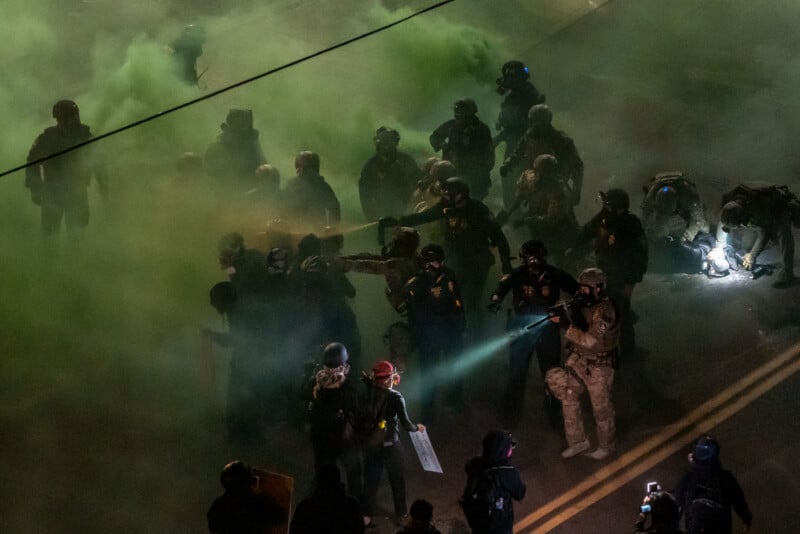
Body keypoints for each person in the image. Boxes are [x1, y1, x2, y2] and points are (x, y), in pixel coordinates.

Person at [383, 177, 512, 340]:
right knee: (449, 297)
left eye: (451, 193)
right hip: (455, 260)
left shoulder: (478, 210)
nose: (447, 196)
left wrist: (506, 265)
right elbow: (426, 216)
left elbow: (498, 237)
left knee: (471, 301)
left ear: (462, 194)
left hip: (477, 262)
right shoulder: (445, 207)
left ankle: (476, 337)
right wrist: (400, 221)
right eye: (445, 192)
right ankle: (454, 334)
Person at [488, 240, 579, 428]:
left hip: (548, 325)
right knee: (517, 371)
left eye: (537, 258)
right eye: (530, 258)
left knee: (552, 371)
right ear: (524, 259)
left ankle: (554, 409)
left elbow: (576, 289)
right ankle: (512, 413)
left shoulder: (554, 274)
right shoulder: (517, 275)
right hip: (523, 328)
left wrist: (572, 305)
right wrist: (495, 301)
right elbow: (501, 289)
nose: (534, 262)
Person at [545, 268, 621, 460]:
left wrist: (566, 325)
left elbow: (590, 341)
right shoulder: (583, 304)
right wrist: (561, 311)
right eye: (581, 288)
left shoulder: (606, 311)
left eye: (587, 289)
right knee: (568, 397)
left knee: (601, 408)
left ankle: (606, 445)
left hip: (599, 365)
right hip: (579, 360)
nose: (582, 293)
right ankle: (578, 442)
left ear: (599, 289)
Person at [568, 188, 648, 359]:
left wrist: (630, 283)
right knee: (602, 311)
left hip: (621, 276)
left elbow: (639, 256)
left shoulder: (630, 224)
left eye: (608, 204)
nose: (605, 207)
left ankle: (628, 351)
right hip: (604, 273)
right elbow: (588, 230)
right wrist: (574, 249)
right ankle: (603, 346)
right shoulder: (605, 219)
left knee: (622, 314)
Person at [397, 244, 466, 420]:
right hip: (429, 334)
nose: (431, 266)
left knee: (455, 367)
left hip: (450, 330)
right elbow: (402, 304)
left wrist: (460, 326)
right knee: (429, 372)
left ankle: (455, 398)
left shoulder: (449, 275)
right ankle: (428, 410)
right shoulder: (417, 282)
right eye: (428, 262)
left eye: (435, 262)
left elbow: (458, 300)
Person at [25, 99, 107, 236]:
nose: (71, 122)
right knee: (49, 236)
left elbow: (99, 164)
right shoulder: (47, 138)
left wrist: (104, 187)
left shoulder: (86, 137)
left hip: (77, 193)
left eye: (73, 118)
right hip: (52, 192)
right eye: (65, 119)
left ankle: (73, 257)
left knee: (77, 234)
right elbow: (32, 162)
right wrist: (35, 188)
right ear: (59, 119)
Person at [361, 360, 425, 528]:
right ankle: (401, 515)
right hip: (390, 445)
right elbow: (406, 424)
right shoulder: (396, 397)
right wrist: (416, 428)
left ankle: (366, 516)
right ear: (389, 379)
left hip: (371, 445)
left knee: (370, 481)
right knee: (397, 481)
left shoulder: (367, 391)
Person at [306, 343, 364, 505]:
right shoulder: (349, 382)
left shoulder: (317, 380)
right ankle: (355, 509)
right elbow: (356, 406)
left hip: (322, 437)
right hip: (344, 437)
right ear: (344, 362)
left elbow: (303, 396)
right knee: (353, 473)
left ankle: (324, 506)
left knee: (324, 476)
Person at [497, 154, 579, 265]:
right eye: (538, 172)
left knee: (560, 257)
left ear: (552, 173)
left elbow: (552, 218)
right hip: (537, 222)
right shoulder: (529, 177)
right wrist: (509, 213)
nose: (540, 177)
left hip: (559, 228)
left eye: (545, 173)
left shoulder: (559, 190)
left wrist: (524, 221)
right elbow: (521, 196)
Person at [716, 183, 799, 288]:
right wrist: (718, 246)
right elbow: (724, 224)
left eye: (739, 226)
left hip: (778, 209)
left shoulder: (758, 212)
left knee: (783, 236)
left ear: (743, 219)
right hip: (756, 204)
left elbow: (764, 235)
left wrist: (752, 255)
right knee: (747, 245)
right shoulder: (727, 203)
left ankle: (788, 274)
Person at [499, 103, 583, 206]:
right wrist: (508, 164)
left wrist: (576, 189)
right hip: (536, 183)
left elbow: (576, 165)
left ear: (545, 121)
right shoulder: (529, 136)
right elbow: (518, 153)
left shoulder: (560, 140)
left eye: (537, 121)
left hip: (555, 184)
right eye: (533, 121)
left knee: (558, 216)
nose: (534, 124)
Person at [493, 60, 546, 208]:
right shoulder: (525, 92)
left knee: (512, 179)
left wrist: (500, 137)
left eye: (508, 77)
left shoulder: (521, 95)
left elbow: (519, 124)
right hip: (526, 141)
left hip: (522, 142)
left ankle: (517, 214)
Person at [674, 436, 752, 534]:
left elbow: (677, 500)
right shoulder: (725, 478)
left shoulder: (688, 478)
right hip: (721, 528)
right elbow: (739, 501)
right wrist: (746, 518)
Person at [641, 172, 712, 274]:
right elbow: (645, 221)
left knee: (704, 228)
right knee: (659, 233)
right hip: (662, 213)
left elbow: (698, 221)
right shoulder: (650, 199)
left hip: (684, 207)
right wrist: (656, 237)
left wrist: (687, 236)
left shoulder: (689, 195)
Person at [461, 429, 526, 534]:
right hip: (499, 524)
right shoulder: (508, 472)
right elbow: (520, 494)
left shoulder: (475, 463)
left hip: (477, 519)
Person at [429, 98, 495, 200]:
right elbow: (435, 137)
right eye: (457, 111)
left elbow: (489, 153)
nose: (457, 114)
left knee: (472, 204)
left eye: (461, 111)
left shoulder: (482, 129)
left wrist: (482, 171)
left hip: (475, 176)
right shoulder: (452, 125)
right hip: (453, 171)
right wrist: (442, 144)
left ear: (470, 113)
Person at [359, 126, 421, 221]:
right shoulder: (371, 166)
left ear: (395, 142)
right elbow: (365, 193)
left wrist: (413, 208)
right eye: (383, 142)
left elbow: (417, 184)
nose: (386, 145)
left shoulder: (406, 161)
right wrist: (371, 216)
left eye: (388, 141)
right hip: (382, 214)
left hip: (407, 212)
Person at [207, 460, 285, 534]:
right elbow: (280, 517)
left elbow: (213, 527)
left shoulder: (219, 504)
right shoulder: (258, 501)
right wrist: (260, 493)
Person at [290, 463, 365, 534]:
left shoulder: (305, 507)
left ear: (318, 481)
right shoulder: (351, 505)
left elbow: (295, 530)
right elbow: (359, 530)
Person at [204, 109, 267, 189]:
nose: (239, 136)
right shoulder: (215, 148)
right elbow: (208, 172)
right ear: (228, 130)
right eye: (236, 131)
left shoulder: (252, 148)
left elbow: (262, 171)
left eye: (243, 133)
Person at [281, 151, 341, 231]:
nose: (303, 170)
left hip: (315, 230)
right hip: (296, 229)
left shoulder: (322, 186)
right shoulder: (291, 185)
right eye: (301, 167)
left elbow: (334, 208)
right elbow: (281, 206)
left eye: (307, 168)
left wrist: (331, 227)